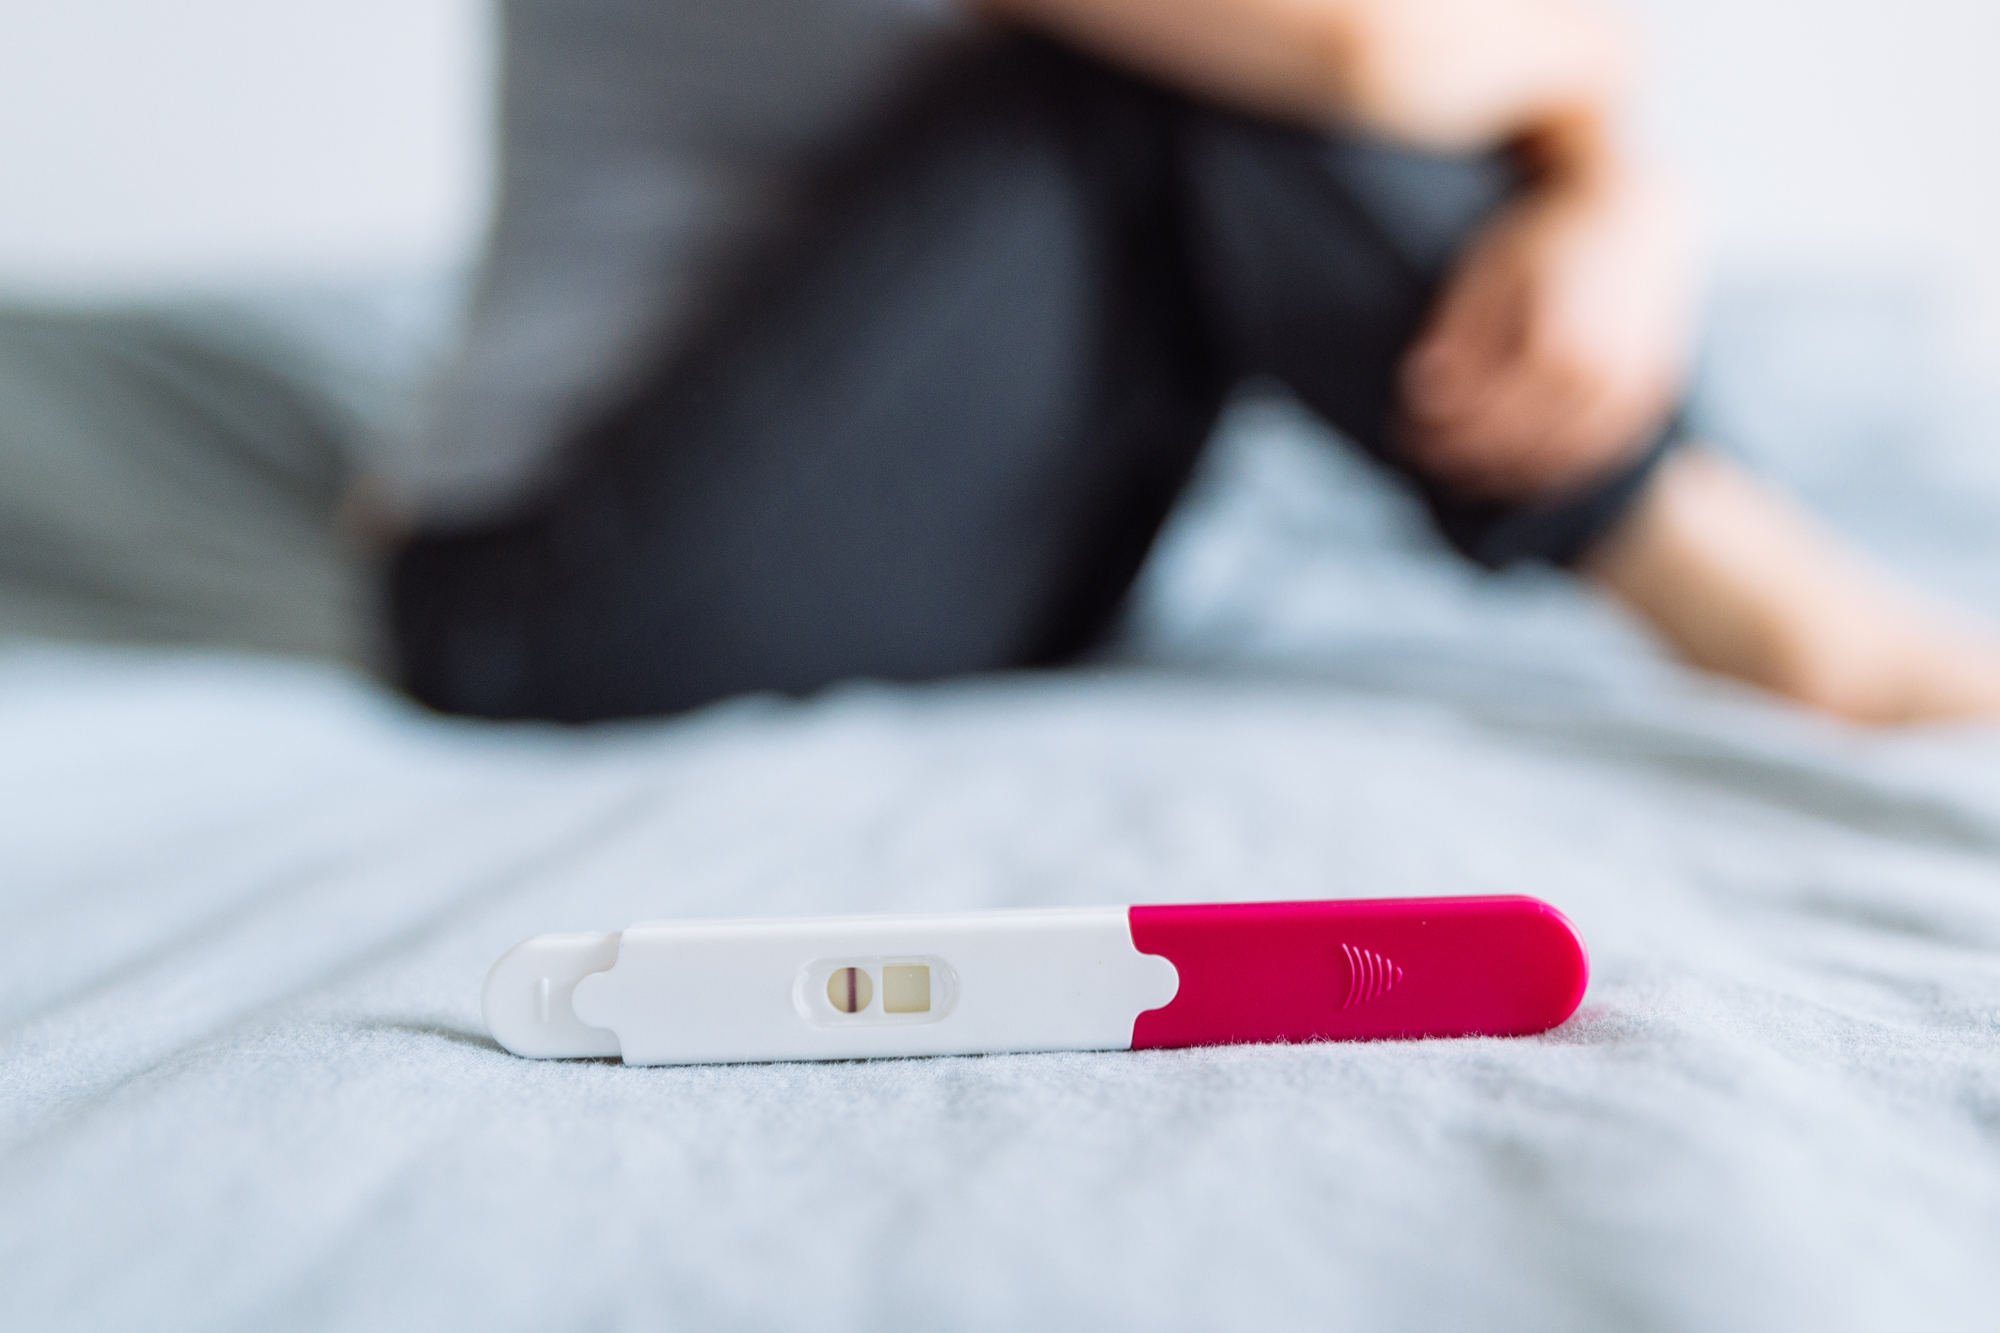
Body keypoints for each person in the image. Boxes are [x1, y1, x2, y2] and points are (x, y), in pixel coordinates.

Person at [386, 0, 2000, 726]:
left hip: (956, 569)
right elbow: (1360, 53)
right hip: (562, 596)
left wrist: (1621, 192)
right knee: (1134, 87)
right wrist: (1592, 91)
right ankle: (1774, 608)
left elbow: (1469, 38)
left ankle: (1722, 539)